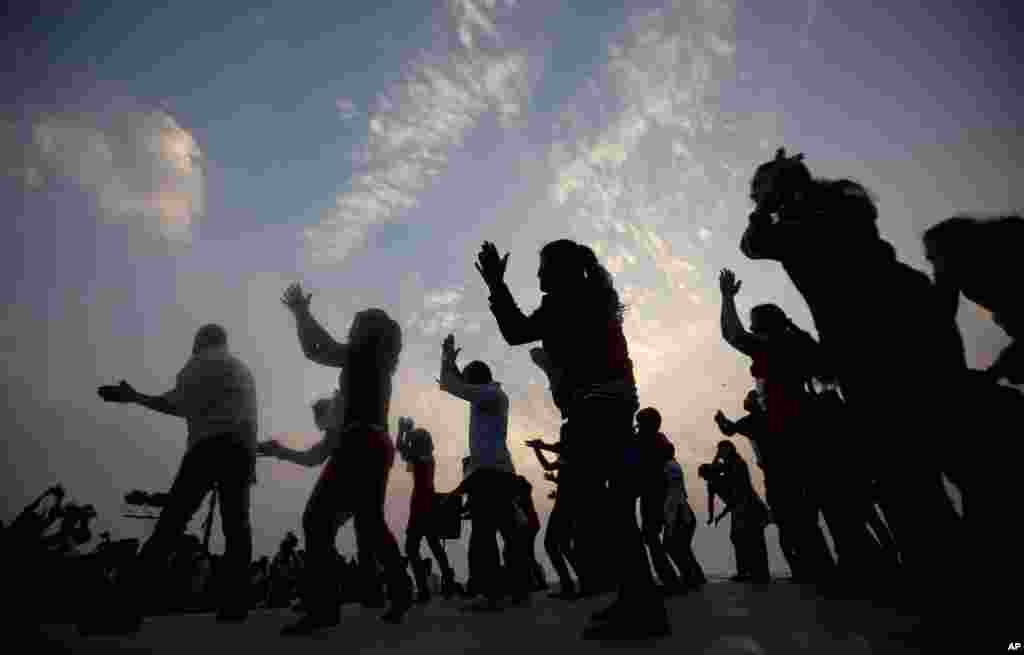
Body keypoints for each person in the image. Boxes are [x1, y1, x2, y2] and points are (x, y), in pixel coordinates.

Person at [739, 148, 968, 640]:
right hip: (920, 317)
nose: (754, 199)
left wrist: (766, 203)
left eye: (757, 191)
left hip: (871, 349)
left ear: (775, 191)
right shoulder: (841, 201)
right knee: (949, 461)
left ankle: (953, 608)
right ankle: (976, 590)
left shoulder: (795, 224)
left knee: (906, 481)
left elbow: (752, 245)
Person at [476, 239, 667, 639]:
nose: (538, 274)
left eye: (543, 266)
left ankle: (639, 606)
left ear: (560, 271)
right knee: (611, 511)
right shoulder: (591, 297)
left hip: (593, 411)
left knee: (600, 511)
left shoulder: (566, 301)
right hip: (611, 408)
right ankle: (638, 600)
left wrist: (496, 285)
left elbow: (516, 332)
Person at [267, 283, 412, 635]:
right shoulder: (377, 364)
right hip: (375, 443)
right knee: (371, 523)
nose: (351, 328)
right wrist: (301, 315)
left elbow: (319, 349)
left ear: (366, 332)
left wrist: (301, 312)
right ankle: (399, 589)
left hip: (358, 443)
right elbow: (317, 350)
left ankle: (323, 607)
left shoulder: (362, 356)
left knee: (317, 519)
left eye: (356, 324)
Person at [93, 323, 257, 633]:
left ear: (200, 341)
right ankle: (235, 604)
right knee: (237, 526)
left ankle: (126, 607)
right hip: (241, 450)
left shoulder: (198, 364)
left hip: (207, 447)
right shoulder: (242, 369)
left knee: (171, 523)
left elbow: (175, 404)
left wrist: (136, 397)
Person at [437, 333, 525, 611]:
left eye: (468, 379)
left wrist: (447, 359)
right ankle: (517, 590)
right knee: (507, 533)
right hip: (496, 472)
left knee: (484, 536)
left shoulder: (491, 395)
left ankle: (492, 594)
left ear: (476, 379)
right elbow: (458, 384)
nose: (466, 385)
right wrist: (452, 366)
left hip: (490, 474)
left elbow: (454, 386)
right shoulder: (488, 396)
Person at [395, 417, 459, 602]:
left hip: (421, 504)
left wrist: (402, 430)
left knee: (412, 548)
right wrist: (406, 432)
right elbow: (404, 450)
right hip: (427, 503)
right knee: (434, 545)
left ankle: (424, 589)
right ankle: (447, 581)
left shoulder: (421, 458)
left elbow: (401, 448)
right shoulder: (426, 458)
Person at [634, 408, 685, 596]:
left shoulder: (644, 442)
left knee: (651, 538)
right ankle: (672, 579)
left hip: (653, 496)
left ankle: (669, 580)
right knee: (653, 538)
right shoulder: (660, 440)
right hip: (660, 494)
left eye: (640, 423)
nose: (638, 427)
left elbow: (636, 462)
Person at [703, 442, 771, 583]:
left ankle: (755, 573)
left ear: (729, 449)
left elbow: (713, 470)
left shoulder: (735, 463)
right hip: (741, 506)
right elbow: (712, 471)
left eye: (722, 450)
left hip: (747, 506)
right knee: (743, 539)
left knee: (749, 539)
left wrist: (716, 457)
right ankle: (751, 572)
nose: (720, 452)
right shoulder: (730, 464)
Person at [663, 457, 706, 590]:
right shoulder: (673, 465)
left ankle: (691, 577)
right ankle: (696, 576)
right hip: (684, 515)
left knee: (673, 546)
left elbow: (674, 499)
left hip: (680, 516)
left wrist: (670, 525)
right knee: (682, 548)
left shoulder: (668, 467)